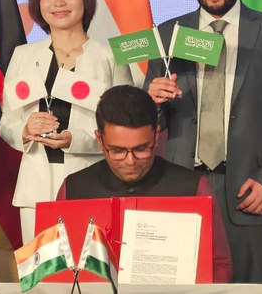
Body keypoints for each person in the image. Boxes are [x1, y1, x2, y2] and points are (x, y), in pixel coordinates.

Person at [144, 0, 262, 283]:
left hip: (251, 191)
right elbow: (149, 123)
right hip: (183, 185)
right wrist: (150, 101)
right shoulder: (168, 33)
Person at [0, 0, 133, 243]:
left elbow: (123, 129)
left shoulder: (109, 56)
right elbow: (6, 123)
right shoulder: (23, 55)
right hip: (34, 188)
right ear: (38, 2)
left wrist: (76, 139)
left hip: (91, 182)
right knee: (41, 279)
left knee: (92, 277)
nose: (58, 2)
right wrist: (24, 130)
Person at [59, 85, 232, 282]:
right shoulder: (73, 189)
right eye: (117, 151)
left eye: (141, 149)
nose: (130, 161)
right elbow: (58, 271)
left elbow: (219, 264)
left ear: (156, 136)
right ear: (100, 140)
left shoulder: (193, 189)